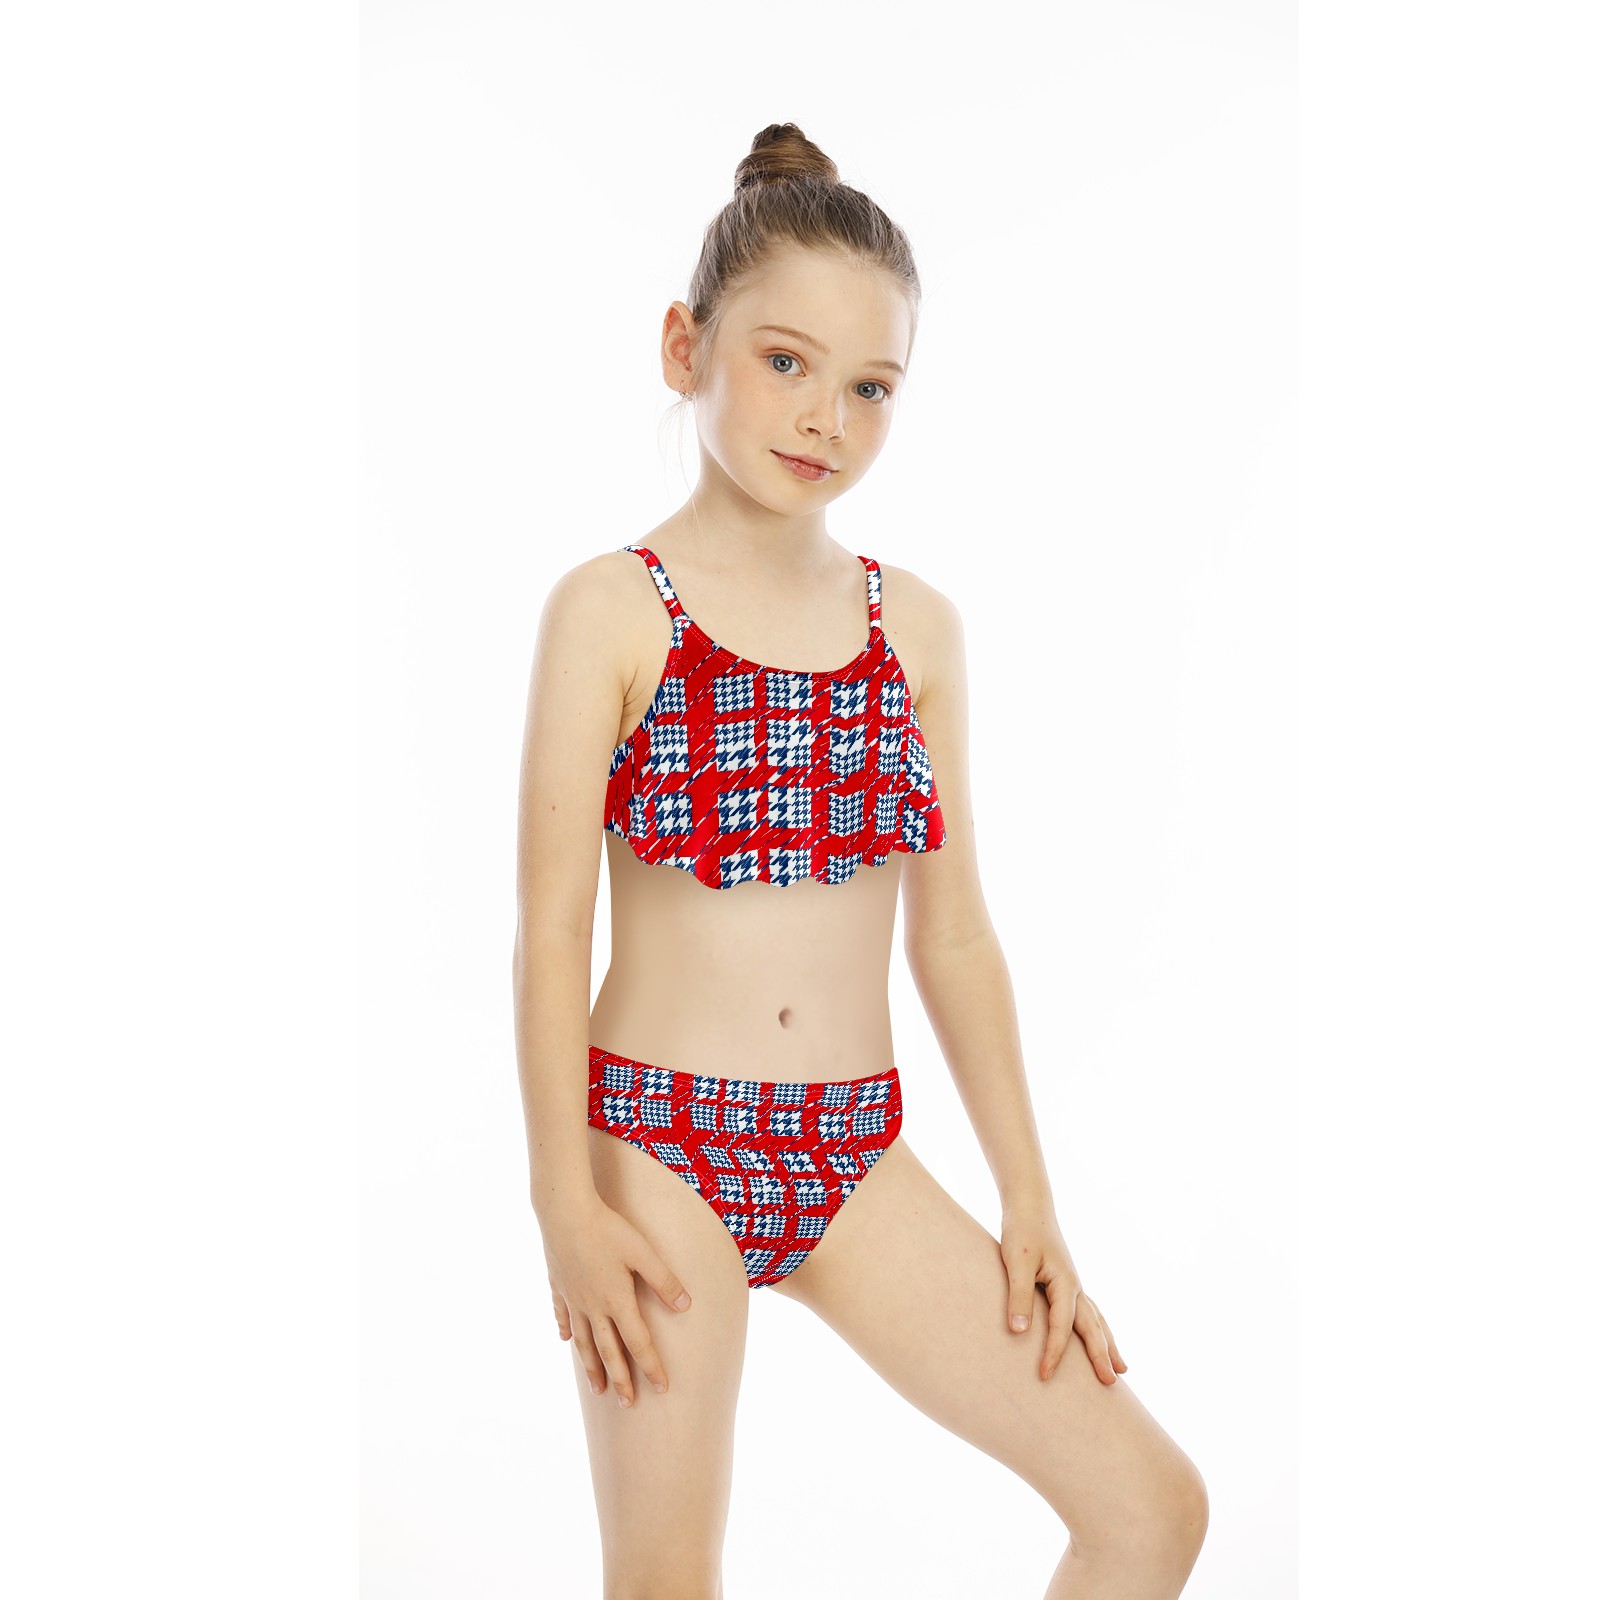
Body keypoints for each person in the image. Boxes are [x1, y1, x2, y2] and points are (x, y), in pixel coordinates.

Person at [512, 121, 1208, 1600]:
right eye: (786, 362)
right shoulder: (612, 612)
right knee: (665, 1579)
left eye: (871, 386)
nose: (826, 416)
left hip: (851, 1150)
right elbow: (549, 931)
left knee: (1151, 1511)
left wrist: (1030, 1202)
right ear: (685, 348)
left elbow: (952, 936)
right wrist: (564, 1202)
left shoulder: (919, 631)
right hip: (656, 1142)